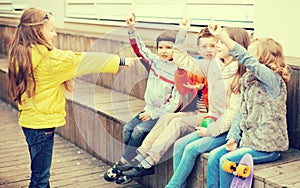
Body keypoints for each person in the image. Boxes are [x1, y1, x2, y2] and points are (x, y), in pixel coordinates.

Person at [7, 7, 139, 188]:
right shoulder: (50, 60)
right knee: (40, 178)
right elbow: (83, 60)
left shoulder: (21, 53)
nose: (54, 34)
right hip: (42, 125)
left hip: (29, 121)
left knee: (38, 172)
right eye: (51, 30)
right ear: (38, 31)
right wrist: (121, 61)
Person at [120, 21, 227, 179]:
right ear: (198, 49)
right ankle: (141, 156)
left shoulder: (225, 69)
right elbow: (182, 60)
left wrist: (203, 86)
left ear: (220, 46)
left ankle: (149, 161)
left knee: (176, 122)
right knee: (166, 118)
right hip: (205, 114)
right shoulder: (204, 65)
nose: (209, 50)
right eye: (204, 46)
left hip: (215, 118)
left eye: (212, 46)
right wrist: (182, 32)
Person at [206, 22, 291, 188]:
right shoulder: (248, 80)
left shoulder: (272, 80)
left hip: (268, 147)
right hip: (248, 142)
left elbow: (247, 59)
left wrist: (222, 35)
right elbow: (240, 112)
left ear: (264, 59)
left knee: (226, 160)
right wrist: (233, 137)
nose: (245, 58)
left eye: (251, 55)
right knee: (214, 156)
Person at [165, 26, 250, 188]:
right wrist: (182, 32)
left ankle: (172, 186)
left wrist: (210, 130)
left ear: (234, 46)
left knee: (191, 149)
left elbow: (233, 114)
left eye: (221, 42)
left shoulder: (241, 75)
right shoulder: (214, 65)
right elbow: (184, 60)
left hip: (228, 132)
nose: (217, 46)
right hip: (212, 123)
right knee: (179, 145)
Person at [103, 13, 181, 184]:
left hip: (162, 116)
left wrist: (154, 115)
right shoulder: (154, 62)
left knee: (139, 131)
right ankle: (130, 163)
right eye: (161, 47)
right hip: (148, 109)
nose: (164, 51)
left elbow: (175, 102)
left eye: (169, 48)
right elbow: (140, 49)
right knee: (128, 129)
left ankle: (122, 165)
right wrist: (131, 29)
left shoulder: (179, 71)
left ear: (178, 49)